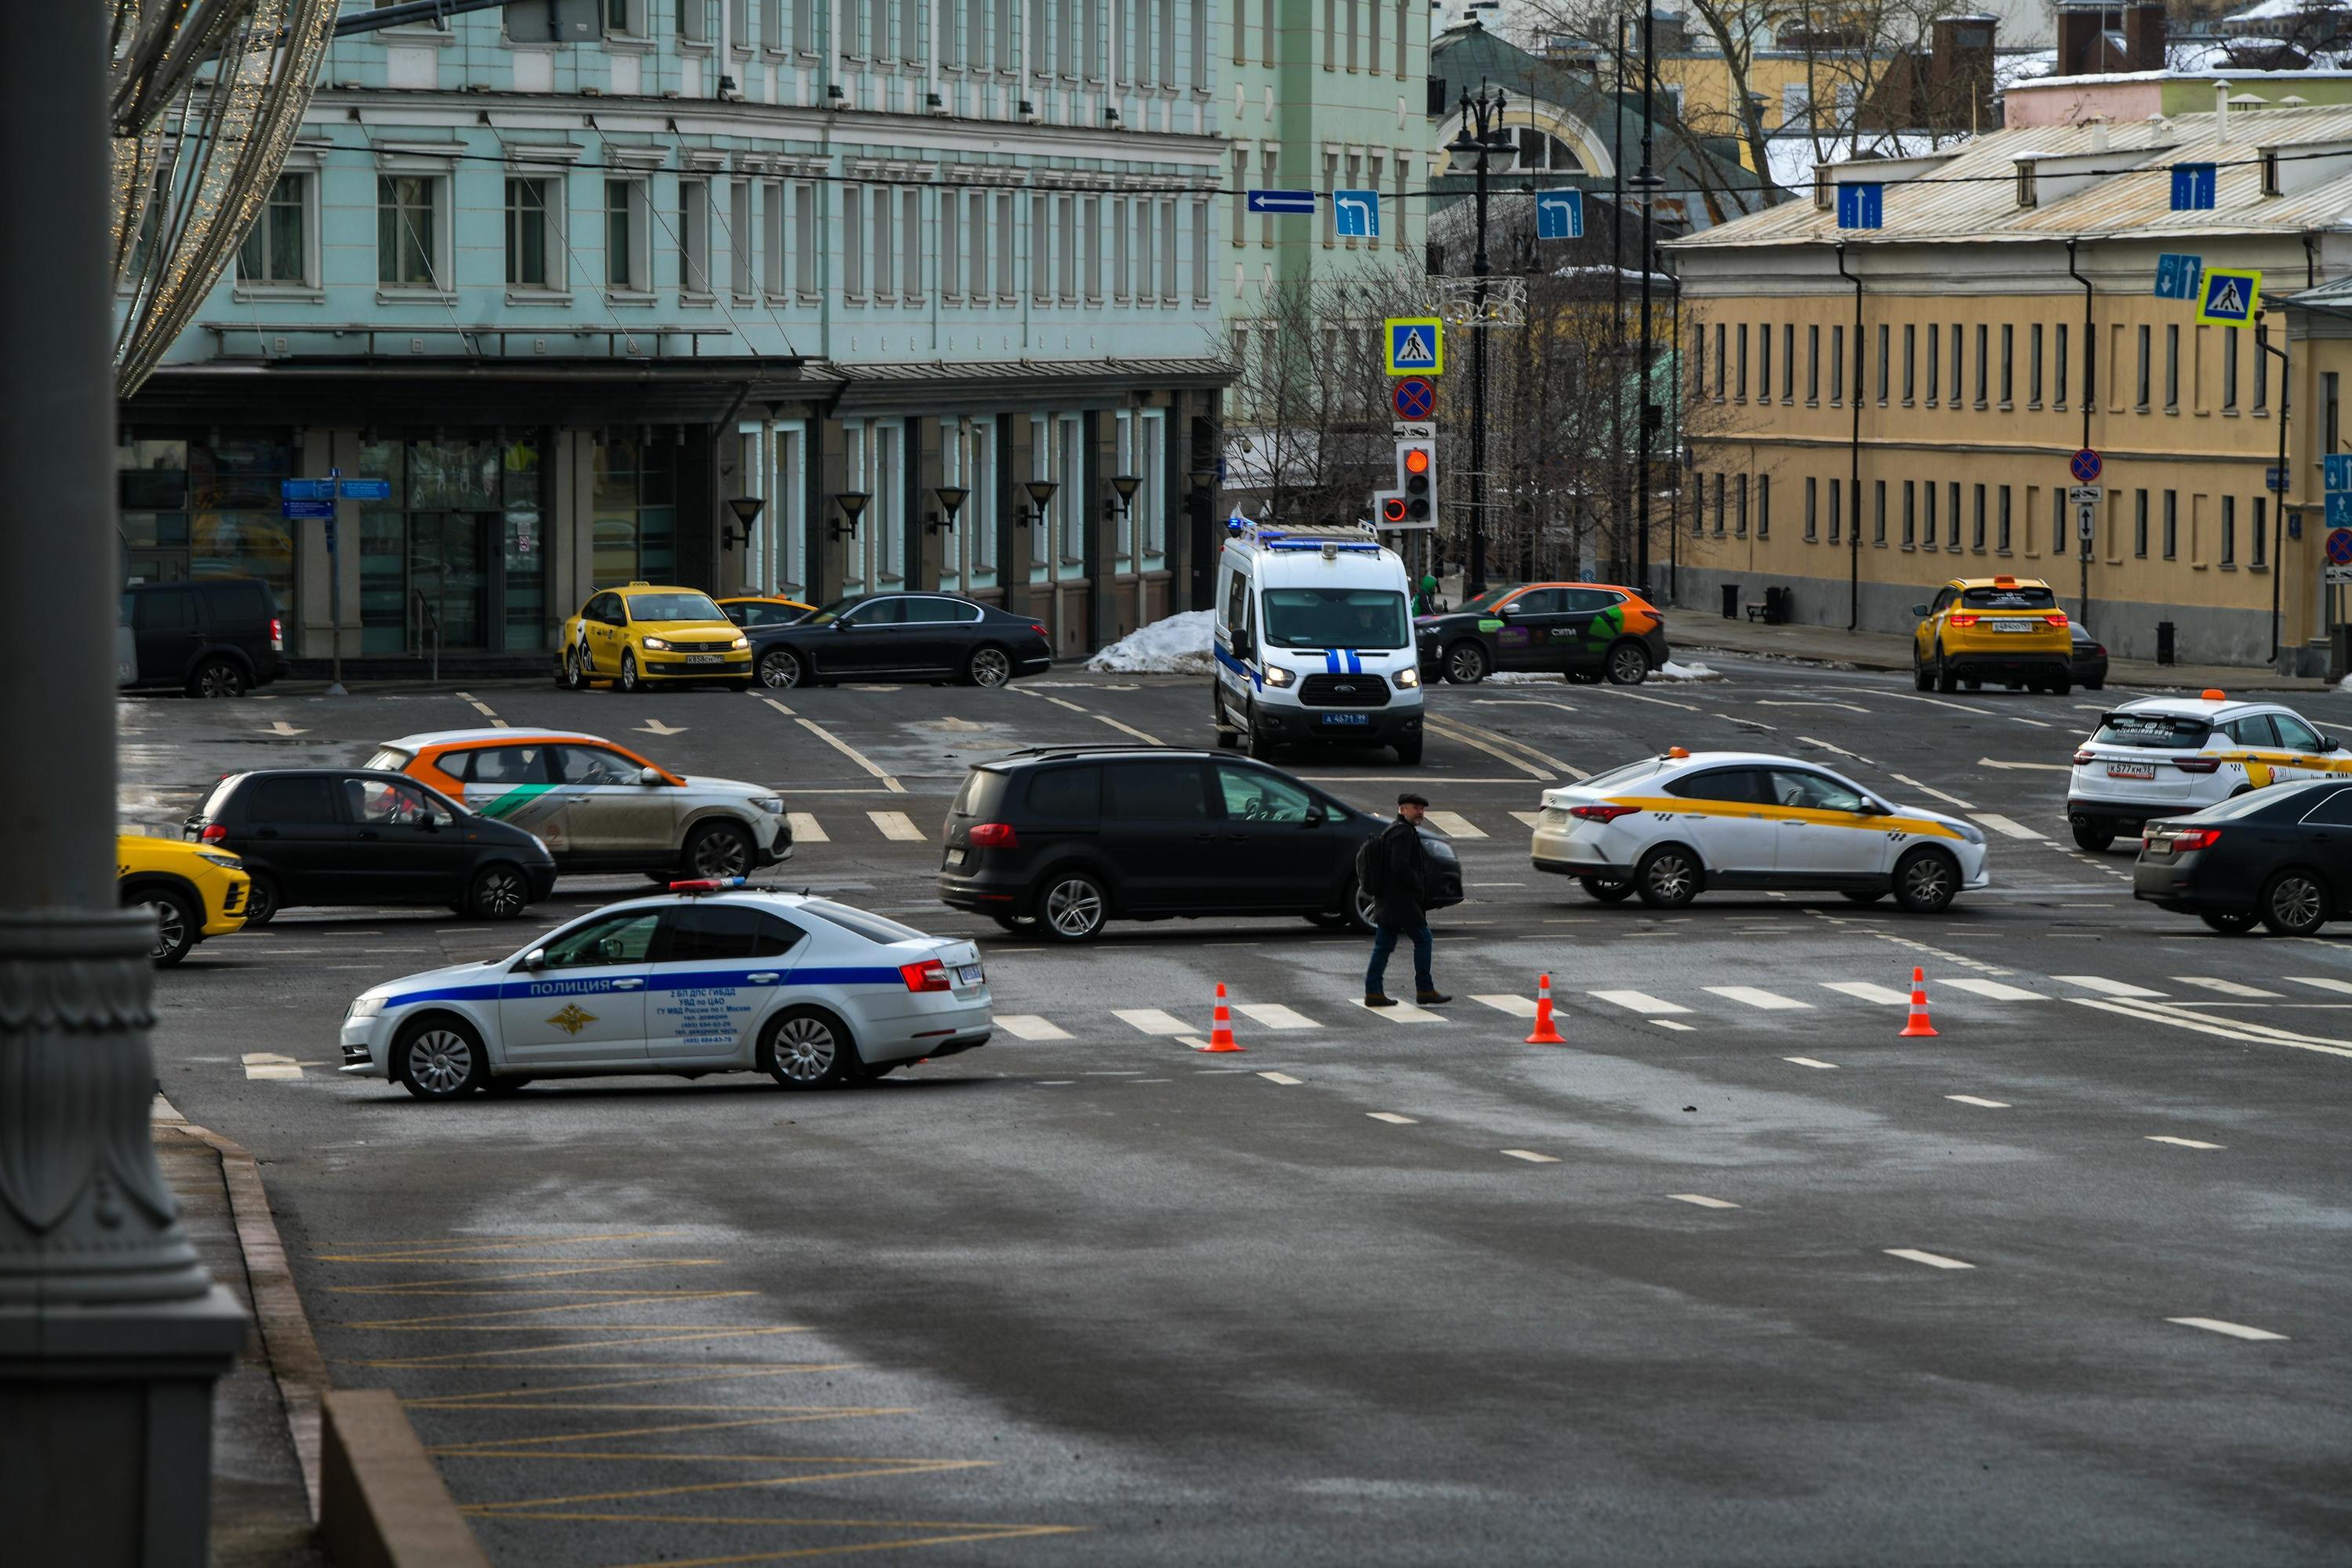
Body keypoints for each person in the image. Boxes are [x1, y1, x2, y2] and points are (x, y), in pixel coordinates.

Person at [1365, 793, 1449, 1008]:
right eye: (1415, 808)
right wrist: (1418, 885)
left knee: (1383, 946)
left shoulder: (1396, 829)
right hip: (1401, 900)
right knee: (1424, 939)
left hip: (1389, 899)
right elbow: (1399, 865)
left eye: (1422, 808)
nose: (1420, 812)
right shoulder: (1402, 833)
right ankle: (1425, 989)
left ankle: (1374, 992)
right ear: (1402, 809)